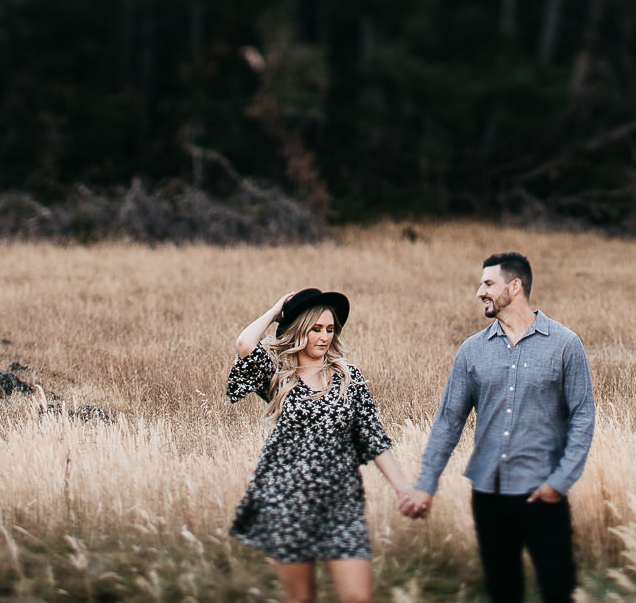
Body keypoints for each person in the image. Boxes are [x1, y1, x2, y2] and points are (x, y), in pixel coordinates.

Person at [403, 252, 595, 603]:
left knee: (558, 592)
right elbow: (448, 421)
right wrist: (426, 484)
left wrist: (561, 481)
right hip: (489, 496)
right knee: (503, 593)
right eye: (481, 284)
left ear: (515, 286)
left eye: (488, 284)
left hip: (544, 495)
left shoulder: (565, 344)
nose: (480, 292)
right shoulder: (471, 352)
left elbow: (582, 416)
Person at [227, 288, 417, 603]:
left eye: (330, 330)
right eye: (316, 329)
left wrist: (402, 489)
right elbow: (245, 344)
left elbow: (372, 435)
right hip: (289, 501)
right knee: (301, 600)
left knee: (358, 597)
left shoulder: (349, 378)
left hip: (342, 503)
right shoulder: (278, 375)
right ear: (300, 330)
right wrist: (276, 310)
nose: (324, 337)